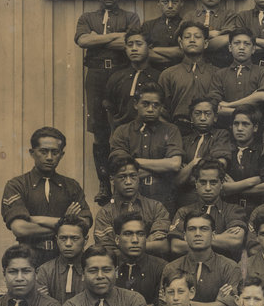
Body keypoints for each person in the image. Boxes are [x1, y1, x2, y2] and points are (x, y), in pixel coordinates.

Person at [74, 0, 141, 203]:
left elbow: (129, 42)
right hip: (96, 75)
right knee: (99, 129)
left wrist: (99, 38)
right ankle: (104, 183)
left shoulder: (130, 17)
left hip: (121, 73)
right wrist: (115, 37)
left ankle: (127, 180)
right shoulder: (87, 17)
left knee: (124, 124)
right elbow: (83, 41)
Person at [1, 127, 93, 267]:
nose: (49, 157)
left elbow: (84, 223)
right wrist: (64, 223)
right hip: (30, 258)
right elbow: (20, 228)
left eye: (55, 152)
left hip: (64, 258)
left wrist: (36, 219)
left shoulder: (71, 186)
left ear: (61, 155)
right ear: (32, 153)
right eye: (43, 152)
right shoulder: (17, 185)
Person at [109, 82, 184, 213]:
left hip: (162, 198)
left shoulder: (171, 130)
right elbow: (122, 167)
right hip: (128, 199)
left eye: (156, 105)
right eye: (145, 104)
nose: (150, 109)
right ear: (135, 104)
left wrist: (135, 162)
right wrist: (161, 168)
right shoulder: (122, 131)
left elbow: (175, 164)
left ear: (161, 107)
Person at [162, 210, 241, 306]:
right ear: (185, 236)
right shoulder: (171, 268)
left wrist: (183, 303)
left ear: (213, 235)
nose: (197, 234)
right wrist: (215, 305)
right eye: (192, 229)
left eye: (204, 229)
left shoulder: (229, 267)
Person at [93, 155, 170, 257]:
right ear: (112, 180)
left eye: (133, 176)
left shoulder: (156, 207)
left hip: (150, 264)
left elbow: (162, 246)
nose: (128, 182)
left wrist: (123, 245)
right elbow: (107, 252)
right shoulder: (105, 214)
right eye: (122, 177)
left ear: (138, 177)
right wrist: (146, 241)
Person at [169, 160, 247, 259]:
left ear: (221, 184)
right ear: (196, 183)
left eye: (213, 182)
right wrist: (219, 239)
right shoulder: (184, 212)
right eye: (203, 182)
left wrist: (194, 239)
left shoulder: (233, 210)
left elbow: (235, 241)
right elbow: (176, 246)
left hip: (222, 267)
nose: (208, 188)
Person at [157, 21, 218, 130]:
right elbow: (161, 110)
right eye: (187, 37)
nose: (192, 40)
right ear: (181, 43)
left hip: (211, 131)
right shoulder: (168, 75)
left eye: (197, 37)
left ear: (205, 43)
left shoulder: (217, 74)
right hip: (178, 130)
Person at [174, 97, 233, 202]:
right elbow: (177, 179)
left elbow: (219, 164)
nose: (202, 118)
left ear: (215, 117)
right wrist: (194, 163)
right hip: (186, 197)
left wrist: (189, 167)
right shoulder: (184, 140)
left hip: (211, 195)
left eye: (207, 114)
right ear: (191, 118)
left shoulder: (221, 135)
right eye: (197, 113)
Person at [211, 27, 264, 127]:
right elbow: (216, 107)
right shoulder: (220, 74)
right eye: (237, 43)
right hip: (226, 126)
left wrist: (229, 105)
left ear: (253, 49)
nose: (241, 47)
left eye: (247, 44)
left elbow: (263, 96)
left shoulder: (262, 71)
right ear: (230, 47)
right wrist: (245, 113)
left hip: (254, 127)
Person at [103, 27, 161, 131]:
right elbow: (110, 109)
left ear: (149, 47)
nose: (134, 48)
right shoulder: (117, 77)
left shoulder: (159, 77)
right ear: (125, 48)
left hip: (152, 134)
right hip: (123, 134)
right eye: (130, 45)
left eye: (139, 44)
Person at [222, 106, 264, 217]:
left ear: (255, 127)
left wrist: (234, 188)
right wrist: (249, 182)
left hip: (258, 210)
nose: (239, 128)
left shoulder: (262, 151)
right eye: (236, 124)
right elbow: (222, 188)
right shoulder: (225, 150)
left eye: (245, 124)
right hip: (229, 210)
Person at [112, 210, 167, 306]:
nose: (135, 240)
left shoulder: (161, 267)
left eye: (140, 234)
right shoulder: (109, 266)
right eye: (128, 234)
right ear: (117, 239)